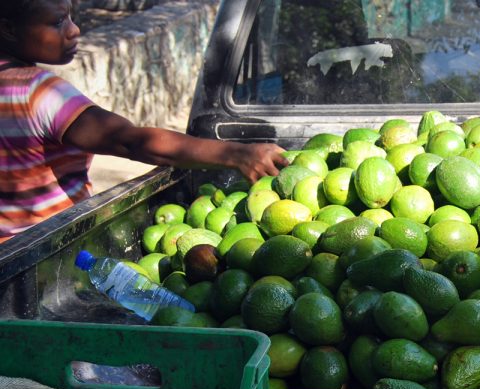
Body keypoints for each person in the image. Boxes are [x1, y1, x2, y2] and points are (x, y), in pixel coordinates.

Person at [0, 0, 290, 242]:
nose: (74, 30)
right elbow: (130, 141)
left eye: (71, 17)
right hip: (45, 252)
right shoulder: (39, 92)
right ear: (9, 29)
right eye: (58, 22)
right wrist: (238, 154)